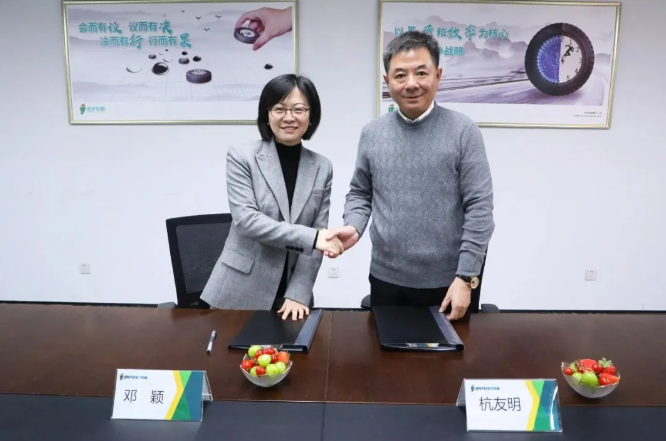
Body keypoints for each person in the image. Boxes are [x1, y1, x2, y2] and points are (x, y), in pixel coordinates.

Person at [325, 31, 495, 321]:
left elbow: (480, 209)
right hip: (387, 278)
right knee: (386, 350)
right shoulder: (372, 133)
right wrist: (354, 225)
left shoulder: (463, 131)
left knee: (452, 351)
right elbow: (360, 192)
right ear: (387, 80)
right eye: (400, 75)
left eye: (421, 73)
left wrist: (467, 277)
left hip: (450, 282)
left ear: (438, 76)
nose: (411, 83)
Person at [201, 74, 343, 320]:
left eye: (298, 109)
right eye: (279, 109)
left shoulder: (323, 167)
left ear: (311, 115)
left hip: (292, 297)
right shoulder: (242, 156)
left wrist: (299, 292)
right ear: (267, 114)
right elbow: (247, 220)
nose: (289, 117)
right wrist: (313, 238)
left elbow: (319, 235)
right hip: (239, 291)